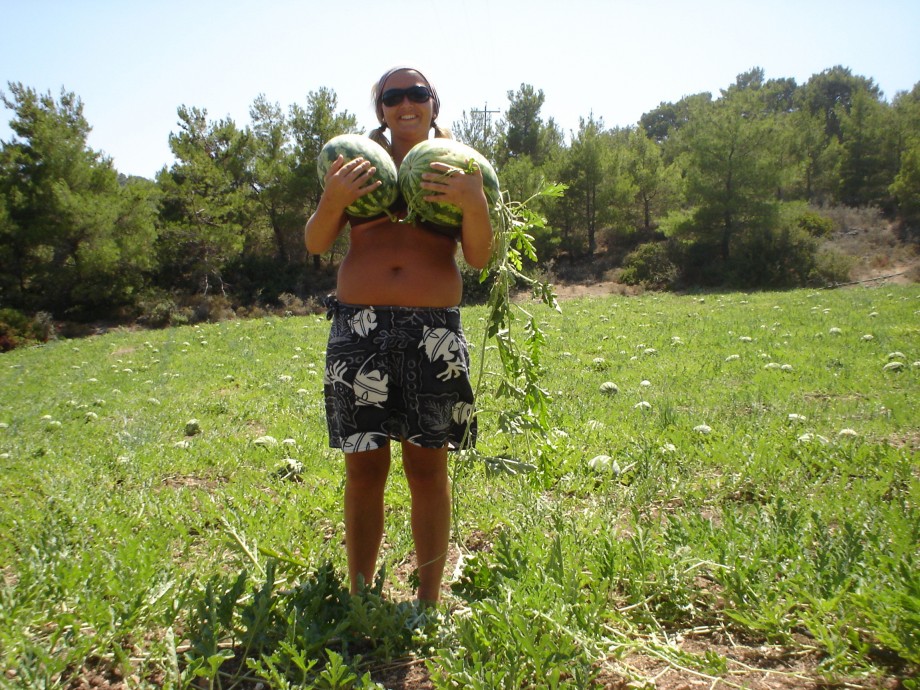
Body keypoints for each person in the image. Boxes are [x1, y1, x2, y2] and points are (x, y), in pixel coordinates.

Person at [304, 66, 494, 604]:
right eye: (393, 96)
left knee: (427, 468)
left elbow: (479, 258)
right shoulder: (355, 163)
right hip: (358, 328)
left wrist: (475, 202)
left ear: (434, 102)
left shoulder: (458, 167)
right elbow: (318, 243)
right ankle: (361, 595)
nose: (405, 103)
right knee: (364, 469)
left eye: (416, 93)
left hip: (432, 331)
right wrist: (333, 199)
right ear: (380, 107)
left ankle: (428, 601)